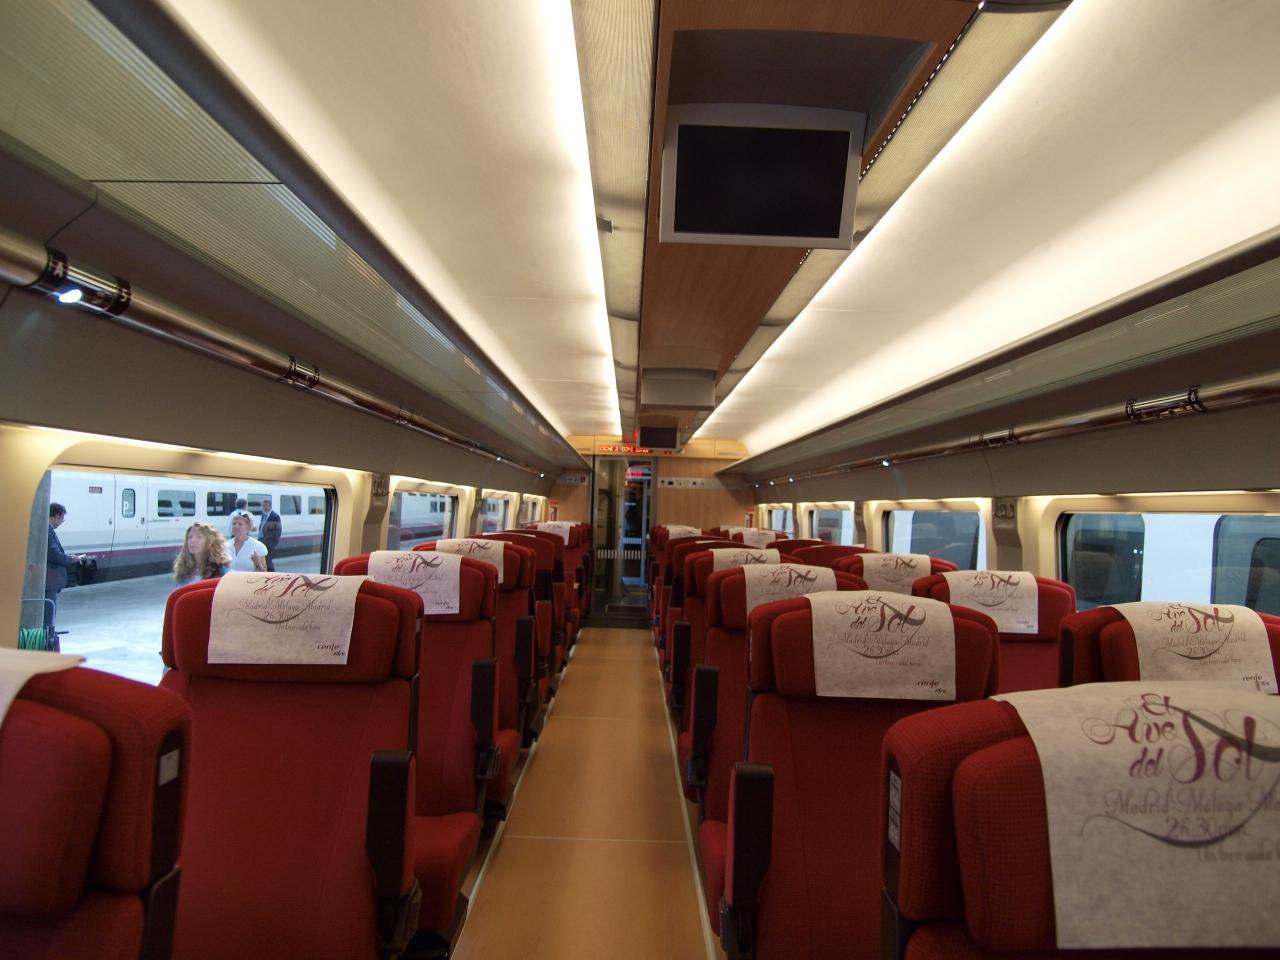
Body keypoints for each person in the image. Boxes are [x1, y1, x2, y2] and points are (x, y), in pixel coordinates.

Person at [44, 502, 84, 635]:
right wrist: (71, 559)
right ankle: (47, 636)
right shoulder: (47, 531)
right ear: (57, 516)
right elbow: (54, 554)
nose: (62, 522)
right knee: (49, 611)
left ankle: (48, 633)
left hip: (49, 580)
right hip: (49, 580)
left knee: (49, 609)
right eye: (62, 519)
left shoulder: (48, 530)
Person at [173, 522, 231, 587]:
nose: (193, 540)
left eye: (199, 537)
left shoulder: (221, 570)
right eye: (190, 537)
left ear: (210, 541)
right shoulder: (183, 569)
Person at [258, 495, 282, 572]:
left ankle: (272, 573)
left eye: (266, 505)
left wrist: (273, 543)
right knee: (263, 559)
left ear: (270, 506)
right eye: (263, 505)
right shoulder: (263, 514)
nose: (264, 507)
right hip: (262, 540)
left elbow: (278, 531)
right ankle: (266, 572)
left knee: (268, 560)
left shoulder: (275, 516)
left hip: (269, 542)